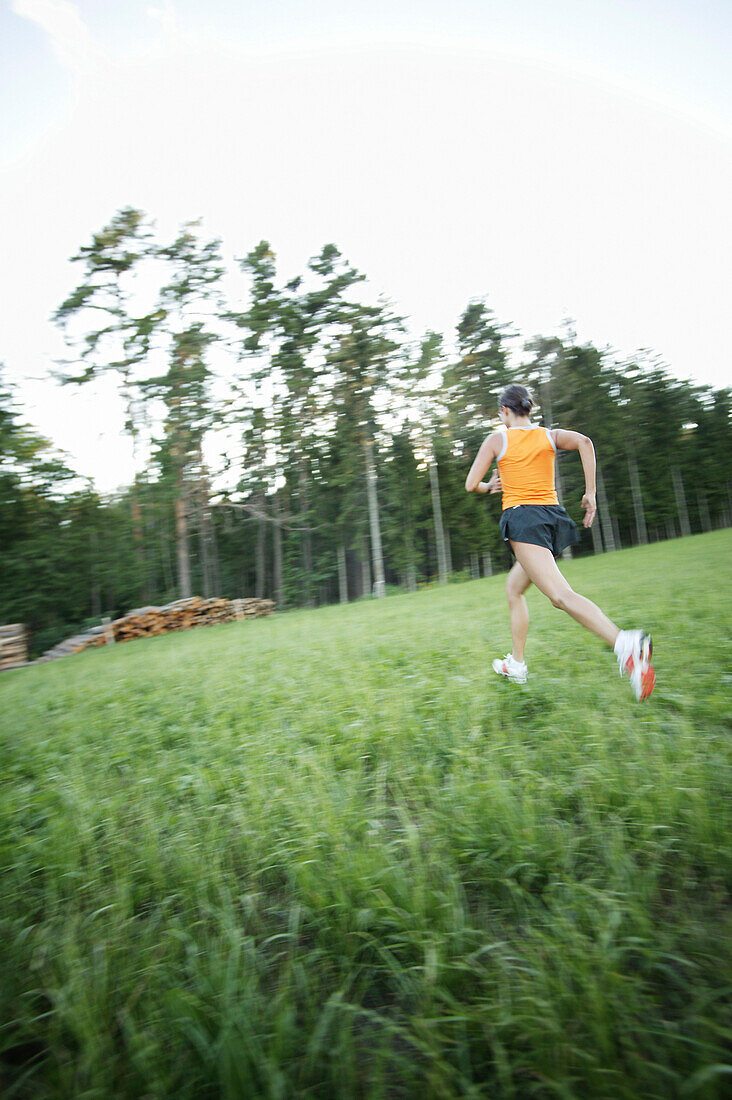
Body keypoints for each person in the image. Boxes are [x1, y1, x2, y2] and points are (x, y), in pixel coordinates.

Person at [465, 384, 655, 700]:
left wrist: (489, 487)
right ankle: (517, 664)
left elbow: (471, 483)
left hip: (524, 520)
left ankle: (625, 644)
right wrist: (590, 493)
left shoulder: (498, 439)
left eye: (501, 414)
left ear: (505, 412)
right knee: (514, 589)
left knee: (560, 595)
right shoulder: (549, 435)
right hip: (550, 518)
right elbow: (585, 442)